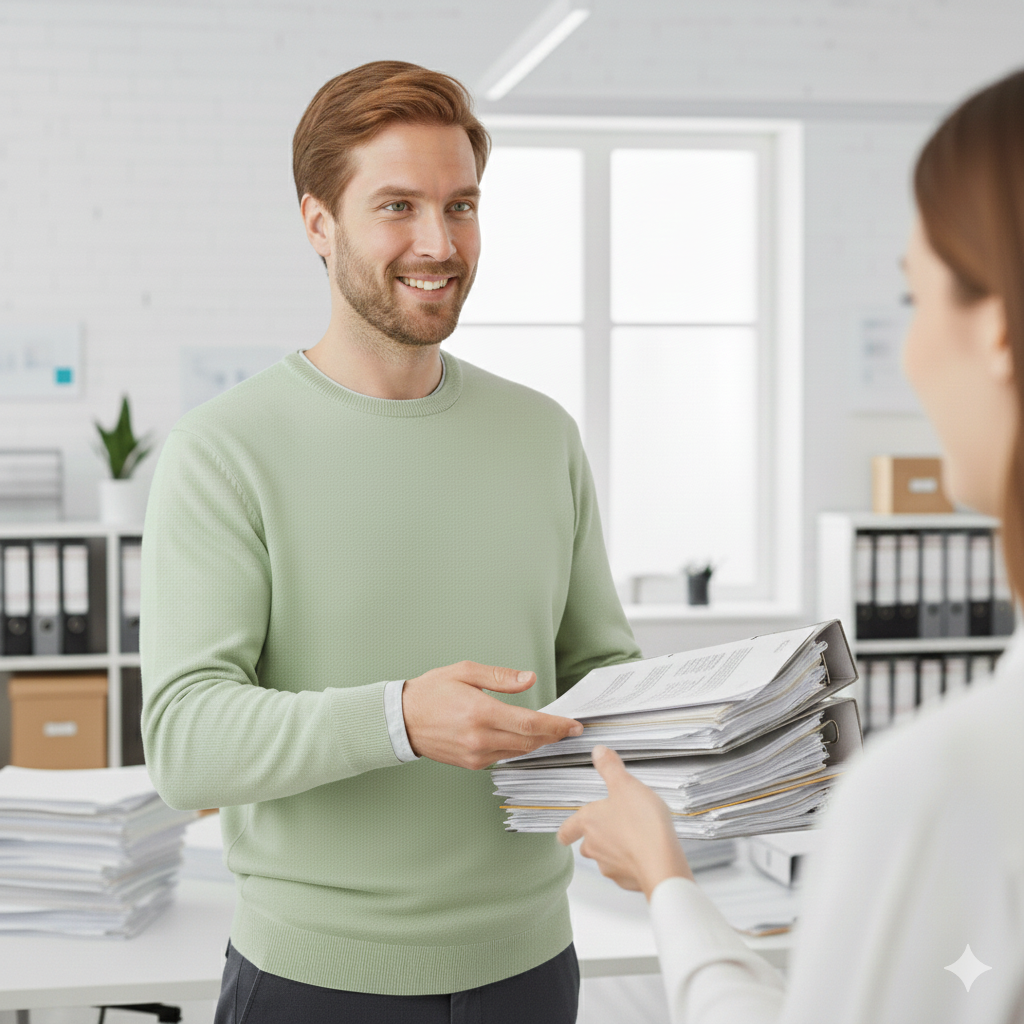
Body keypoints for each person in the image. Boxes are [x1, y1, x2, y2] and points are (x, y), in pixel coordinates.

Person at [140, 61, 641, 1023]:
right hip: (315, 984)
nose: (438, 242)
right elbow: (185, 742)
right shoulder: (226, 451)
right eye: (398, 206)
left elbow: (599, 664)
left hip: (533, 971)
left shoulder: (541, 434)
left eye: (461, 206)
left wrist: (710, 737)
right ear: (318, 223)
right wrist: (399, 719)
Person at [558, 66, 1024, 1024]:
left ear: (1000, 333)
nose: (909, 352)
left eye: (917, 299)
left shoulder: (947, 791)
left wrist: (665, 881)